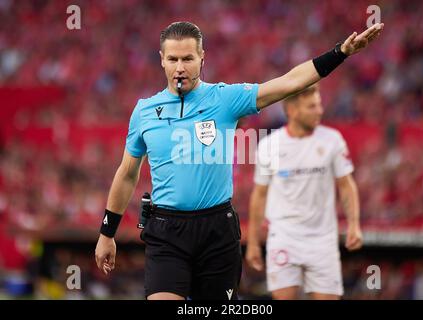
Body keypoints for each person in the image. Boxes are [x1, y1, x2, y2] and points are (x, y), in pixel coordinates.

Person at [94, 21, 383, 300]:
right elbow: (128, 173)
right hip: (167, 232)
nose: (180, 67)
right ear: (161, 60)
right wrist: (107, 232)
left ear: (202, 58)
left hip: (217, 231)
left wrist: (340, 53)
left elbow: (288, 83)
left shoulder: (225, 99)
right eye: (172, 59)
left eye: (188, 58)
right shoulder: (144, 111)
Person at [245, 83, 362, 300]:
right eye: (311, 107)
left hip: (323, 240)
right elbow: (259, 195)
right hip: (284, 237)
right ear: (292, 111)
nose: (319, 111)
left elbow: (346, 185)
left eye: (319, 105)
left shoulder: (332, 140)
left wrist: (354, 224)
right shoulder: (270, 145)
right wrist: (252, 243)